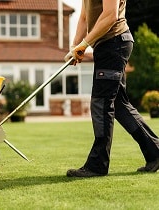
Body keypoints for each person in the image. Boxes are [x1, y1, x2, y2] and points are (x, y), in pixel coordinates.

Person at [64, 0, 159, 177]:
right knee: (119, 105)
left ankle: (97, 164)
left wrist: (84, 44)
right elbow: (84, 17)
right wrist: (74, 47)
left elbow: (110, 15)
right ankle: (155, 151)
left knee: (101, 104)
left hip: (114, 43)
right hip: (106, 46)